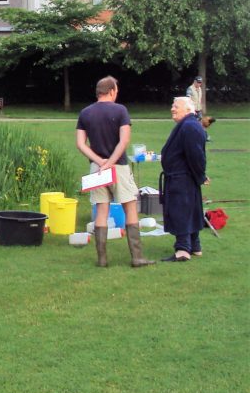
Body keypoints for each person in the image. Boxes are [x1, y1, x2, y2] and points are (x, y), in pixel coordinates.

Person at [76, 76, 154, 267]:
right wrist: (110, 162)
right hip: (118, 166)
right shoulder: (120, 110)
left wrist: (99, 162)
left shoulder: (85, 113)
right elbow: (124, 141)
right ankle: (137, 257)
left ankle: (102, 259)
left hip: (96, 169)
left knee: (102, 210)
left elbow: (80, 144)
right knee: (130, 207)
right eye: (116, 90)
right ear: (111, 91)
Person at [159, 96, 209, 262]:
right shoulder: (187, 125)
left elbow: (196, 156)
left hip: (182, 178)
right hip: (182, 176)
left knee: (180, 211)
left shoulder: (189, 126)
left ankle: (183, 250)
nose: (172, 109)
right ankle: (195, 247)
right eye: (172, 105)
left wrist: (200, 176)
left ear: (188, 109)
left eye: (176, 106)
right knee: (191, 210)